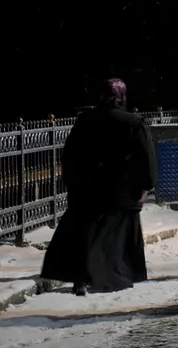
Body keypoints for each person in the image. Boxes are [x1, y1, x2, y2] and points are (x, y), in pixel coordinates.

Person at [41, 78, 156, 296]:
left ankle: (81, 279)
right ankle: (111, 277)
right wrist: (146, 184)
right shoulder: (134, 122)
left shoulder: (85, 121)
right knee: (115, 237)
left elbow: (70, 156)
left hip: (88, 188)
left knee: (86, 234)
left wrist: (73, 182)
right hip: (122, 191)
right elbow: (145, 158)